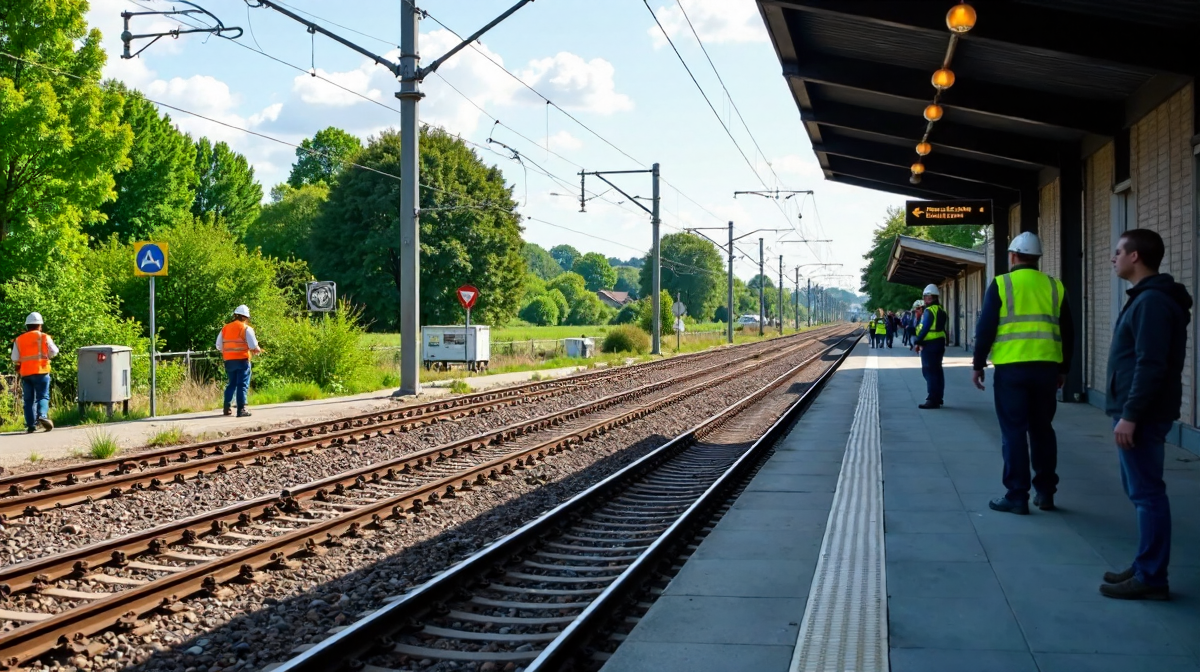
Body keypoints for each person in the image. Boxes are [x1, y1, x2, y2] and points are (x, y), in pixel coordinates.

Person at [1100, 229, 1191, 600]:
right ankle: (1144, 566)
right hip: (1139, 412)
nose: (1113, 257)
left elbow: (1150, 364)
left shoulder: (1151, 302)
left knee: (1148, 495)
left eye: (1119, 251)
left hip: (1142, 415)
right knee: (1141, 492)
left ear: (1136, 256)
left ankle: (1152, 577)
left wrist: (1131, 415)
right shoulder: (1146, 298)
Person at [971, 232, 1076, 515]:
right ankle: (1045, 492)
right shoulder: (1055, 286)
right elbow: (1068, 331)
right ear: (1038, 258)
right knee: (1042, 430)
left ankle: (1017, 495)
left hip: (1012, 370)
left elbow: (986, 328)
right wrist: (1064, 368)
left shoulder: (1001, 284)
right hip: (1046, 370)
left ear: (1013, 256)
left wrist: (978, 363)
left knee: (1014, 432)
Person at [11, 312, 58, 433]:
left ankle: (31, 425)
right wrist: (48, 356)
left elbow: (15, 358)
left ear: (27, 326)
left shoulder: (19, 339)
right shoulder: (44, 337)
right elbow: (54, 351)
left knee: (28, 400)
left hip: (26, 373)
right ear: (40, 325)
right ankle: (42, 415)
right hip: (41, 371)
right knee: (43, 396)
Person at [216, 305, 264, 417]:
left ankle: (226, 408)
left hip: (229, 361)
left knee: (231, 384)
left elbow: (218, 345)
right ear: (246, 317)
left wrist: (228, 351)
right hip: (242, 360)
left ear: (235, 315)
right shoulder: (246, 329)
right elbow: (253, 345)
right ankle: (241, 409)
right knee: (242, 384)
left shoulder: (225, 328)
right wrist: (257, 350)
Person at [913, 285, 946, 409]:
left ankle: (932, 399)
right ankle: (938, 397)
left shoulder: (929, 311)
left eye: (926, 297)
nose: (925, 299)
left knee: (929, 371)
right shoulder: (941, 310)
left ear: (930, 297)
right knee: (937, 371)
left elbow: (925, 328)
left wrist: (918, 342)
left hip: (930, 344)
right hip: (940, 343)